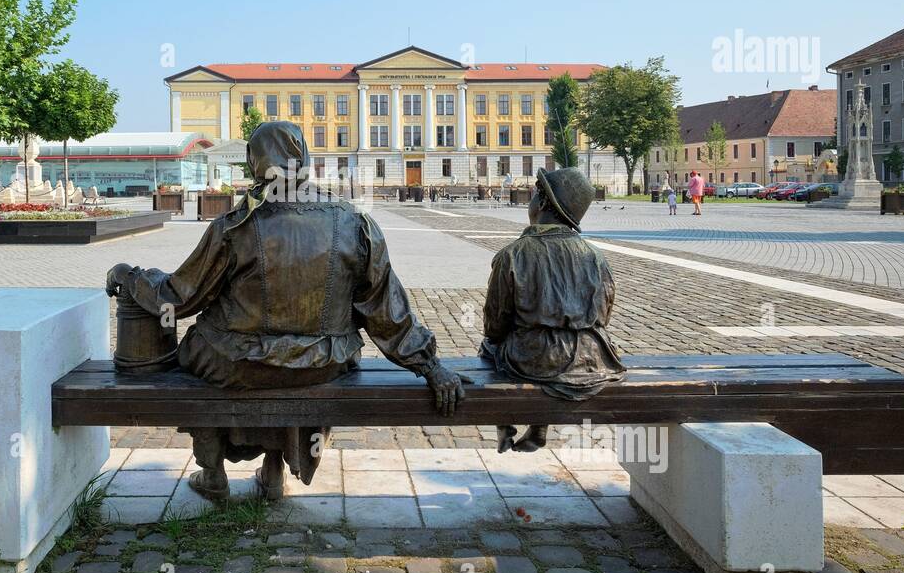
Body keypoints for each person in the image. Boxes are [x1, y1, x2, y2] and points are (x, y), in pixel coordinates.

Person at [107, 121, 468, 501]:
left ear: (255, 163)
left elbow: (178, 298)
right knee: (292, 363)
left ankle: (212, 471)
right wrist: (430, 366)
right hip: (326, 363)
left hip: (241, 365)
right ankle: (274, 469)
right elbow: (386, 311)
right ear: (305, 159)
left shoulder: (236, 226)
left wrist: (129, 276)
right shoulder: (354, 222)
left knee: (197, 348)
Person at [480, 167, 626, 452]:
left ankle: (504, 420)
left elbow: (494, 326)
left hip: (535, 357)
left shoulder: (513, 254)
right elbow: (604, 315)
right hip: (594, 358)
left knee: (490, 350)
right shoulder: (595, 256)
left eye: (535, 194)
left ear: (544, 203)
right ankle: (538, 426)